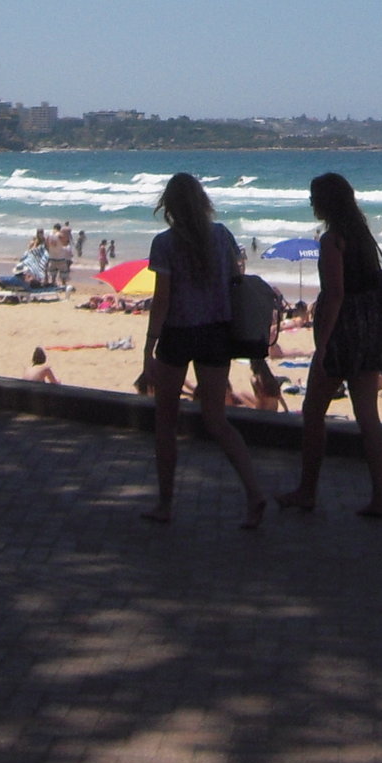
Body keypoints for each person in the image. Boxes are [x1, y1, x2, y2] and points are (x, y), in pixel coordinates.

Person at [137, 172, 268, 528]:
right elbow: (235, 278)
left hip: (178, 333)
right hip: (216, 332)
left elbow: (162, 300)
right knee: (217, 420)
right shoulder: (221, 235)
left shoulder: (164, 243)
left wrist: (149, 348)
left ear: (169, 206)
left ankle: (165, 503)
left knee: (165, 420)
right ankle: (254, 493)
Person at [278, 171, 382, 519]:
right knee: (367, 416)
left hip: (344, 330)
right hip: (370, 328)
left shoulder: (333, 240)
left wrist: (323, 342)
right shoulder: (361, 235)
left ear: (326, 202)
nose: (311, 203)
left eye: (314, 197)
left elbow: (335, 293)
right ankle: (381, 496)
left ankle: (307, 490)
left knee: (313, 412)